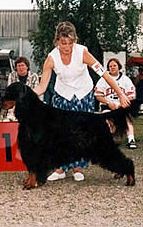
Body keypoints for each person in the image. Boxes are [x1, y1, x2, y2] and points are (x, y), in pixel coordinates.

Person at [33, 21, 130, 182]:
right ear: (57, 41)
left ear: (75, 41)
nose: (67, 47)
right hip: (62, 96)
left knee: (81, 134)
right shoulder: (51, 58)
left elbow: (104, 74)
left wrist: (120, 94)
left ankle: (77, 168)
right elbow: (43, 85)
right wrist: (27, 97)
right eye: (63, 43)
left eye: (70, 43)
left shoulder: (83, 52)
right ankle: (60, 168)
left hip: (83, 94)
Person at [95, 58, 137, 149]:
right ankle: (109, 139)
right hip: (107, 105)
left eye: (114, 65)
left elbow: (132, 96)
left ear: (119, 67)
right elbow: (98, 95)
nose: (112, 67)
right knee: (107, 118)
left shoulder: (126, 79)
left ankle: (131, 139)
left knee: (126, 118)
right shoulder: (103, 79)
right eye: (110, 66)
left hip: (121, 105)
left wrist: (122, 104)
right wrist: (108, 103)